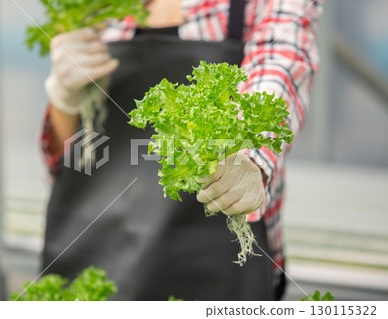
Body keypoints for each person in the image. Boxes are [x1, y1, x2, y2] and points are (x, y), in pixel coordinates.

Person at [39, 0, 323, 300]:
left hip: (214, 269)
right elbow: (64, 159)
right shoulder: (95, 6)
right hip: (93, 246)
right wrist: (64, 97)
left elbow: (278, 75)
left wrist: (249, 155)